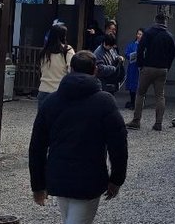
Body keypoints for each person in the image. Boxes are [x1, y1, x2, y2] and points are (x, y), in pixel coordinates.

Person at [29, 51, 128, 224]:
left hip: (58, 174)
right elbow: (118, 144)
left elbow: (37, 146)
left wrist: (38, 185)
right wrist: (117, 179)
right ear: (95, 70)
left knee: (68, 218)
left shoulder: (51, 102)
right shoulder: (105, 102)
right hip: (90, 177)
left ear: (71, 69)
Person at [127, 12, 175, 131]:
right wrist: (167, 67)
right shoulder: (169, 36)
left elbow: (140, 50)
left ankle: (136, 121)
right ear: (165, 22)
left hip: (148, 67)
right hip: (162, 69)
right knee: (160, 96)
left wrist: (140, 64)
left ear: (155, 20)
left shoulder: (148, 33)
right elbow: (172, 54)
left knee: (140, 93)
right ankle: (158, 123)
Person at [38, 23, 75, 109]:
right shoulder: (67, 51)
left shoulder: (44, 52)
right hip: (60, 91)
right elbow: (71, 70)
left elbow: (41, 70)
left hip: (43, 90)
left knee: (43, 120)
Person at [122, 29, 142, 110]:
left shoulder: (145, 45)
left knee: (140, 86)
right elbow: (126, 54)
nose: (139, 36)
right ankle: (132, 102)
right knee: (132, 85)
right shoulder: (131, 45)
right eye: (138, 34)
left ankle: (139, 103)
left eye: (141, 34)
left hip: (141, 67)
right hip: (133, 67)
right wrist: (133, 55)